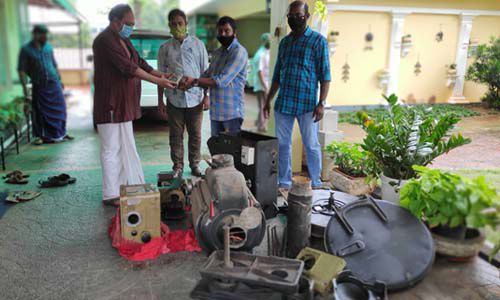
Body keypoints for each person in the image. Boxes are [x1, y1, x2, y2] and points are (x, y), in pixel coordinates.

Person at [93, 4, 176, 206]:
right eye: (128, 24)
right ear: (115, 21)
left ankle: (124, 186)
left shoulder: (124, 40)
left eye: (132, 24)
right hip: (110, 105)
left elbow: (140, 63)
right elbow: (128, 68)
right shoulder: (104, 41)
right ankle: (110, 193)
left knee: (124, 147)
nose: (130, 27)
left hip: (123, 105)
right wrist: (158, 82)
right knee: (111, 150)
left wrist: (161, 75)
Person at [264, 0, 331, 191]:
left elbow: (325, 75)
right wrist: (268, 100)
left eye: (299, 16)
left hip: (307, 104)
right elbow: (277, 75)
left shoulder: (318, 41)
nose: (294, 19)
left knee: (311, 145)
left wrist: (322, 103)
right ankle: (284, 182)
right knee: (283, 145)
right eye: (291, 16)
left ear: (307, 17)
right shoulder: (285, 43)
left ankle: (316, 183)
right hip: (284, 103)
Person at [157, 9, 209, 178]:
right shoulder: (165, 48)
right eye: (173, 24)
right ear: (169, 26)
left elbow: (205, 73)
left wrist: (206, 96)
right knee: (175, 136)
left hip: (196, 99)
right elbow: (160, 75)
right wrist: (160, 101)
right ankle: (177, 166)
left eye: (180, 23)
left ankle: (195, 164)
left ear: (186, 24)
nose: (177, 26)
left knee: (195, 135)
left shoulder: (198, 45)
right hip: (174, 99)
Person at [179, 16, 248, 137]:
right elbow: (207, 75)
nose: (223, 34)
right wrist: (188, 83)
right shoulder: (217, 53)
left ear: (234, 32)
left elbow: (221, 81)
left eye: (227, 31)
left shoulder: (239, 52)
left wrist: (194, 81)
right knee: (217, 151)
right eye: (220, 31)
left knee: (230, 153)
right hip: (216, 113)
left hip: (231, 114)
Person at [18, 25, 72, 145]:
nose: (45, 36)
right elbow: (21, 70)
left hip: (54, 83)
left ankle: (61, 133)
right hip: (40, 84)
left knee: (61, 108)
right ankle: (41, 136)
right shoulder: (26, 49)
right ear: (35, 34)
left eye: (46, 34)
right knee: (41, 112)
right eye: (43, 34)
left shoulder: (48, 47)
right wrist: (25, 91)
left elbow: (54, 64)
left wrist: (60, 79)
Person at [251, 33, 270, 132]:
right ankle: (261, 126)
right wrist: (265, 86)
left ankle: (258, 122)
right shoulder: (260, 54)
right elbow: (260, 72)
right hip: (261, 84)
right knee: (263, 105)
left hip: (266, 83)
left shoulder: (267, 52)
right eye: (269, 39)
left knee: (263, 105)